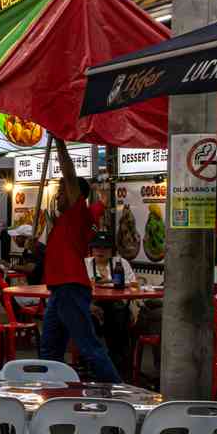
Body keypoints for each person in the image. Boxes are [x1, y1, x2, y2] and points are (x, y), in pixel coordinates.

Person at [38, 138, 121, 382]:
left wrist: (60, 143)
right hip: (59, 290)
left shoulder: (77, 213)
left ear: (76, 195)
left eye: (62, 191)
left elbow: (69, 172)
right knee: (50, 349)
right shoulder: (67, 220)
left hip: (70, 287)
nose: (58, 196)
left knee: (88, 346)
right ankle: (52, 393)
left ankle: (119, 392)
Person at [83, 232, 137, 368]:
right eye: (97, 247)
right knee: (90, 321)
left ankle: (118, 360)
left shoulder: (120, 263)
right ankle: (93, 361)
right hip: (92, 305)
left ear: (112, 250)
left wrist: (107, 281)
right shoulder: (85, 264)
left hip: (117, 305)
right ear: (92, 249)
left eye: (105, 248)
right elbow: (79, 288)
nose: (100, 251)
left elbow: (133, 284)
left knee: (118, 315)